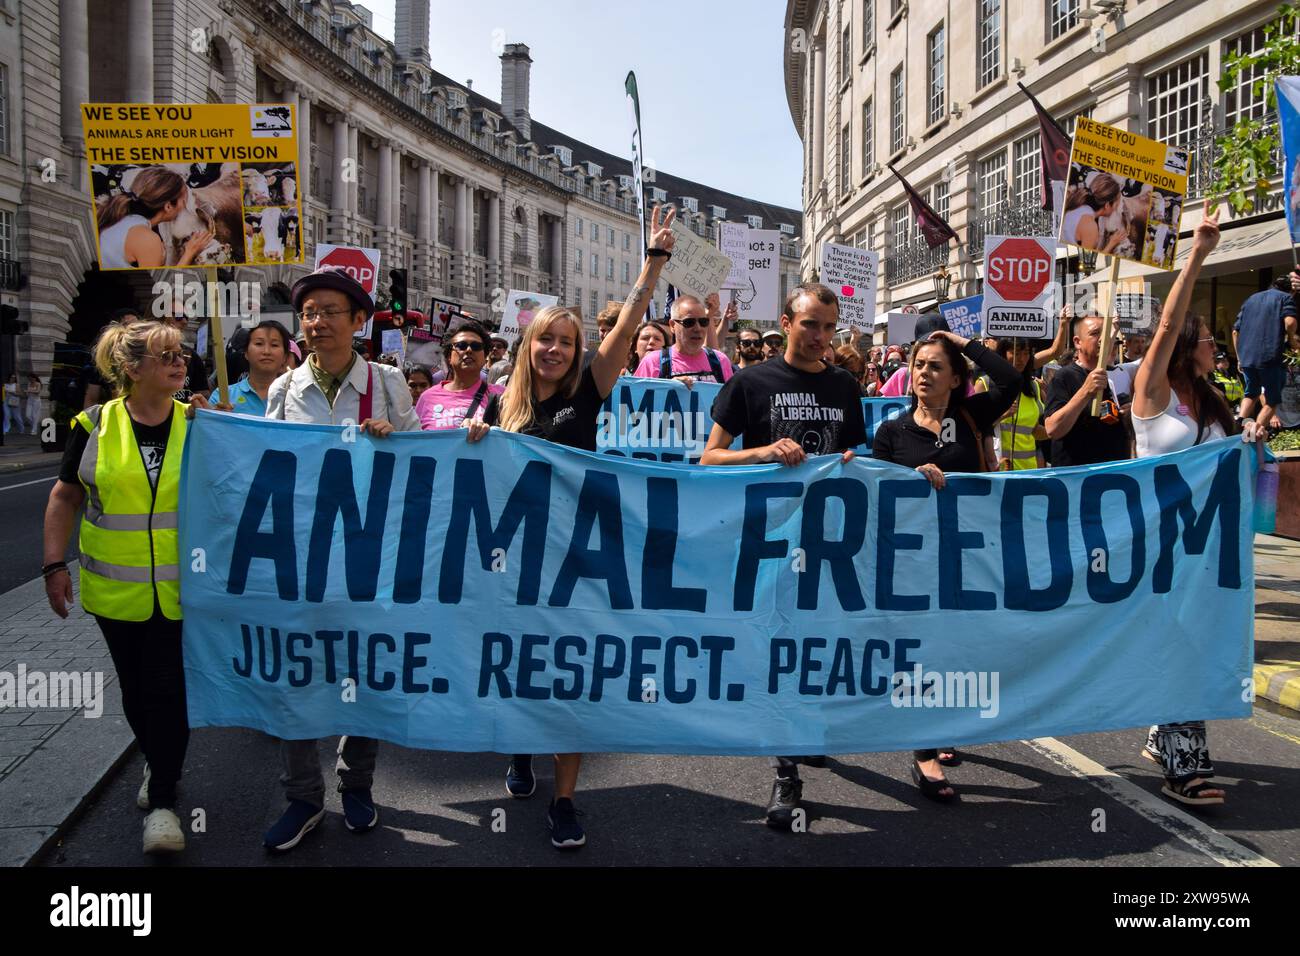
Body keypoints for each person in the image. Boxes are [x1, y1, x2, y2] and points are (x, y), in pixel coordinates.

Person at [465, 204, 678, 850]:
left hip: (576, 562)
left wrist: (655, 262)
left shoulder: (590, 389)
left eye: (565, 341)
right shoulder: (503, 404)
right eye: (544, 340)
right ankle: (520, 750)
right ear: (527, 349)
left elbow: (631, 323)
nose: (554, 349)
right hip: (517, 563)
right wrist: (475, 438)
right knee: (522, 669)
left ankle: (563, 801)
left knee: (571, 677)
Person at [260, 265, 421, 853]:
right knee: (296, 673)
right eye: (308, 313)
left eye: (331, 312)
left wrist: (393, 442)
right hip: (300, 559)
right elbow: (267, 466)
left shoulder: (388, 382)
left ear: (360, 322)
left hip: (368, 557)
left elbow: (422, 461)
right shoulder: (284, 389)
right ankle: (303, 797)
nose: (317, 323)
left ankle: (357, 785)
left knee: (363, 671)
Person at [699, 282, 868, 828]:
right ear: (786, 323)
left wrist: (848, 461)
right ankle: (785, 770)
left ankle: (802, 731)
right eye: (810, 324)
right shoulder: (750, 381)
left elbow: (855, 457)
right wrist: (764, 452)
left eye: (828, 327)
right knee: (777, 649)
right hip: (770, 543)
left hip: (827, 541)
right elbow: (710, 458)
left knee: (818, 643)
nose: (821, 336)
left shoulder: (845, 385)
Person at [42, 320, 193, 854]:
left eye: (182, 354)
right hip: (116, 594)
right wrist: (53, 566)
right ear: (132, 369)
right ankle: (157, 760)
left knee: (170, 692)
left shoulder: (199, 423)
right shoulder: (95, 424)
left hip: (183, 593)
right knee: (135, 691)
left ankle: (165, 805)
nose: (179, 363)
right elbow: (65, 496)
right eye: (165, 355)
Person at [1131, 203, 1256, 807]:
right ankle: (1184, 767)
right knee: (1178, 645)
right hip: (1158, 548)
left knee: (1195, 642)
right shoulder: (1152, 394)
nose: (1214, 341)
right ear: (1185, 344)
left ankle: (1164, 733)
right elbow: (1164, 326)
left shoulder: (1210, 400)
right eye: (1206, 336)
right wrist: (1196, 254)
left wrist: (1251, 434)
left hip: (1206, 550)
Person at [871, 330, 1019, 801]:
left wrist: (962, 342)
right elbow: (875, 494)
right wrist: (909, 480)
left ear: (957, 379)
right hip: (914, 563)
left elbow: (1011, 380)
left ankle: (944, 722)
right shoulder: (892, 432)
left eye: (936, 366)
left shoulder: (972, 416)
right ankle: (925, 751)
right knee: (921, 653)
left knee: (960, 648)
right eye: (918, 365)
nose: (923, 374)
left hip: (970, 558)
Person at [1043, 313, 1132, 466]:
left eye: (1105, 334)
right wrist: (1085, 391)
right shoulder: (1064, 377)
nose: (1103, 339)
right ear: (1078, 342)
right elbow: (1053, 429)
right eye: (1095, 333)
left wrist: (1129, 414)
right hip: (1077, 479)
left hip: (1113, 475)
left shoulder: (1116, 374)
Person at [96, 166, 213, 269]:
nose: (184, 207)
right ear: (168, 206)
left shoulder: (118, 216)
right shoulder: (147, 239)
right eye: (184, 201)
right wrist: (190, 252)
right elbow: (159, 291)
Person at [1234, 274, 1299, 434]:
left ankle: (1238, 425)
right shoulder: (1285, 298)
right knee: (1272, 400)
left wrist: (1239, 358)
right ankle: (1251, 434)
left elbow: (1236, 332)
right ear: (1290, 290)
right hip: (1270, 356)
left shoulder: (1251, 299)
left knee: (1251, 393)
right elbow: (1290, 322)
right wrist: (1292, 340)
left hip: (1247, 357)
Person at [416, 319, 503, 430]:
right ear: (449, 357)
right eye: (461, 345)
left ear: (485, 356)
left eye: (476, 346)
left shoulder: (502, 396)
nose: (469, 350)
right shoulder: (427, 398)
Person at [634, 293, 734, 386]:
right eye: (689, 322)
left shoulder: (720, 361)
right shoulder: (652, 363)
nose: (698, 328)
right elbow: (634, 401)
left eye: (703, 322)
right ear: (672, 325)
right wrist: (666, 388)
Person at [225, 320, 289, 416]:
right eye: (259, 344)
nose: (266, 351)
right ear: (246, 353)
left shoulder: (297, 397)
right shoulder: (223, 396)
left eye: (274, 345)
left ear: (285, 356)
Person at [1062, 171, 1125, 254]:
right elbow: (1086, 262)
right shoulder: (1090, 226)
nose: (1116, 209)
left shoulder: (1079, 205)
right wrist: (1112, 243)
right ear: (1107, 205)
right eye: (1116, 204)